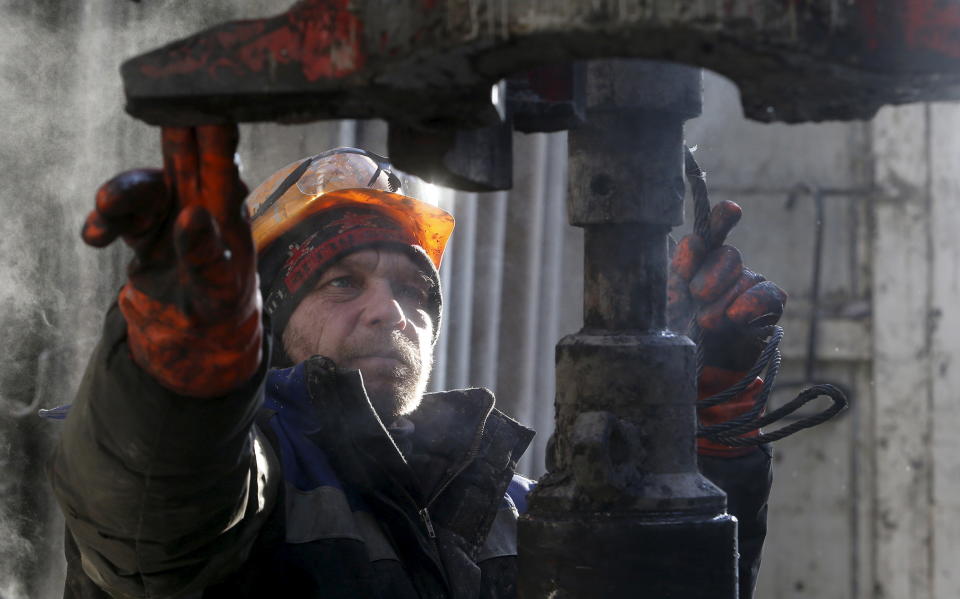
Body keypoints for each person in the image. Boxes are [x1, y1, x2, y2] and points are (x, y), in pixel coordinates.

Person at [48, 124, 783, 598]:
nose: (388, 311)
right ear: (264, 321)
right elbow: (152, 505)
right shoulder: (253, 484)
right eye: (342, 281)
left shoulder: (515, 509)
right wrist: (176, 384)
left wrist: (695, 439)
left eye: (414, 290)